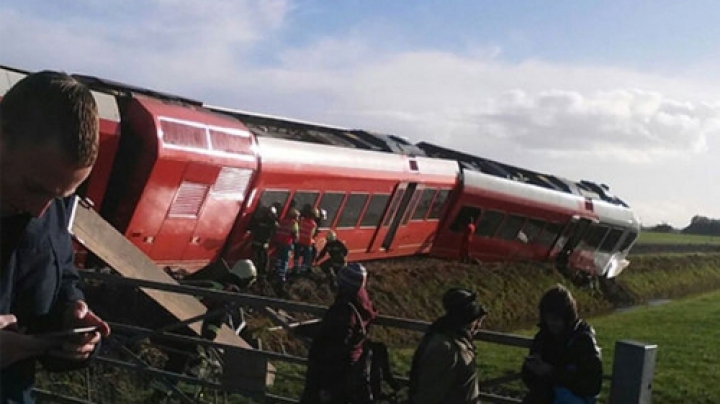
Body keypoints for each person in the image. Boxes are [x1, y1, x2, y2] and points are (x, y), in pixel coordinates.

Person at [0, 70, 111, 403]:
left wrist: (70, 319)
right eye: (34, 188)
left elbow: (62, 276)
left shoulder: (53, 202)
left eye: (62, 195)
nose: (41, 211)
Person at [150, 260, 258, 401]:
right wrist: (208, 340)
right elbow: (215, 318)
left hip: (166, 323)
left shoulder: (213, 282)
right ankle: (188, 397)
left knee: (179, 359)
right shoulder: (229, 291)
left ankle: (161, 395)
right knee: (199, 361)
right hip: (179, 329)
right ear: (247, 280)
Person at [300, 263, 378, 404]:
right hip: (350, 367)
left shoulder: (344, 309)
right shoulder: (362, 303)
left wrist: (325, 385)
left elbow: (337, 342)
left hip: (330, 373)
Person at [521, 284, 602, 404]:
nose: (552, 323)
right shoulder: (543, 336)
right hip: (545, 396)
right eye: (548, 319)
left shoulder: (583, 340)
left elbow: (592, 386)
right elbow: (529, 380)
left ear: (567, 317)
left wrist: (551, 372)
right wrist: (531, 368)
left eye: (556, 319)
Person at [408, 288, 488, 404]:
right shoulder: (444, 348)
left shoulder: (452, 338)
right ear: (467, 321)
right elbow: (429, 395)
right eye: (475, 321)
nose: (477, 326)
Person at [248, 205, 278, 274]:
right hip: (263, 243)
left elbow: (251, 227)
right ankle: (262, 272)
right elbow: (274, 232)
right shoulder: (272, 223)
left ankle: (258, 271)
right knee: (263, 258)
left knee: (259, 258)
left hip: (259, 242)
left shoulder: (260, 220)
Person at [272, 208, 300, 283]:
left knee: (279, 258)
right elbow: (295, 234)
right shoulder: (294, 223)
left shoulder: (283, 221)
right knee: (284, 260)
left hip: (278, 242)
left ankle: (276, 272)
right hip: (286, 243)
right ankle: (281, 276)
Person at [294, 208, 318, 274]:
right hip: (307, 241)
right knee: (307, 255)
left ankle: (295, 267)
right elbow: (311, 234)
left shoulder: (302, 220)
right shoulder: (314, 224)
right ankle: (303, 269)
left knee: (297, 254)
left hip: (299, 240)